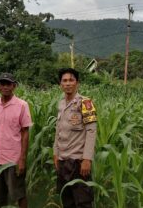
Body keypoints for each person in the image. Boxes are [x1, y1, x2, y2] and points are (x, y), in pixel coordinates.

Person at [0, 73, 32, 208]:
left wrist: (22, 159)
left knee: (19, 194)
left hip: (13, 159)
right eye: (2, 84)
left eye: (8, 84)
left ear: (14, 86)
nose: (5, 87)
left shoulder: (22, 105)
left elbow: (25, 132)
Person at [53, 68, 97, 208]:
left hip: (78, 162)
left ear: (77, 83)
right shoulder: (61, 104)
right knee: (67, 201)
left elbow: (91, 131)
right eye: (64, 81)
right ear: (60, 84)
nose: (67, 84)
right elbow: (58, 130)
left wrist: (87, 159)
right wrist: (55, 153)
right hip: (63, 161)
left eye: (71, 80)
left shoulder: (85, 103)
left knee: (83, 202)